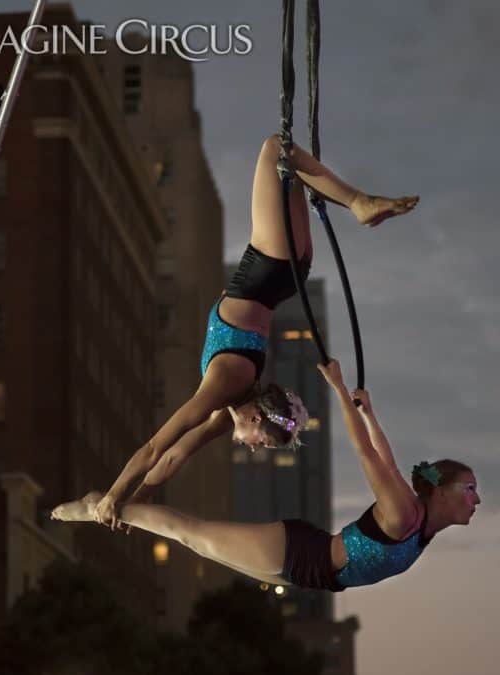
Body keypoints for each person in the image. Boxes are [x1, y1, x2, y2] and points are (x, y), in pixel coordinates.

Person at [91, 134, 419, 529]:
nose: (253, 447)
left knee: (290, 169)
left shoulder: (226, 411)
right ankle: (358, 203)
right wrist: (113, 494)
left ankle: (357, 202)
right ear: (256, 417)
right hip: (267, 268)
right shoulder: (224, 387)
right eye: (261, 441)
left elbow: (175, 457)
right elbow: (156, 445)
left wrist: (139, 499)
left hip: (284, 273)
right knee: (276, 149)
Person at [53, 359, 479, 591]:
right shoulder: (405, 514)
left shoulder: (420, 521)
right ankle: (99, 506)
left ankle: (109, 506)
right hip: (304, 554)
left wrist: (370, 412)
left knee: (201, 546)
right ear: (441, 492)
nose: (476, 499)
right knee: (191, 533)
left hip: (314, 574)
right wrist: (340, 389)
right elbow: (368, 456)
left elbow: (384, 456)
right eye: (470, 489)